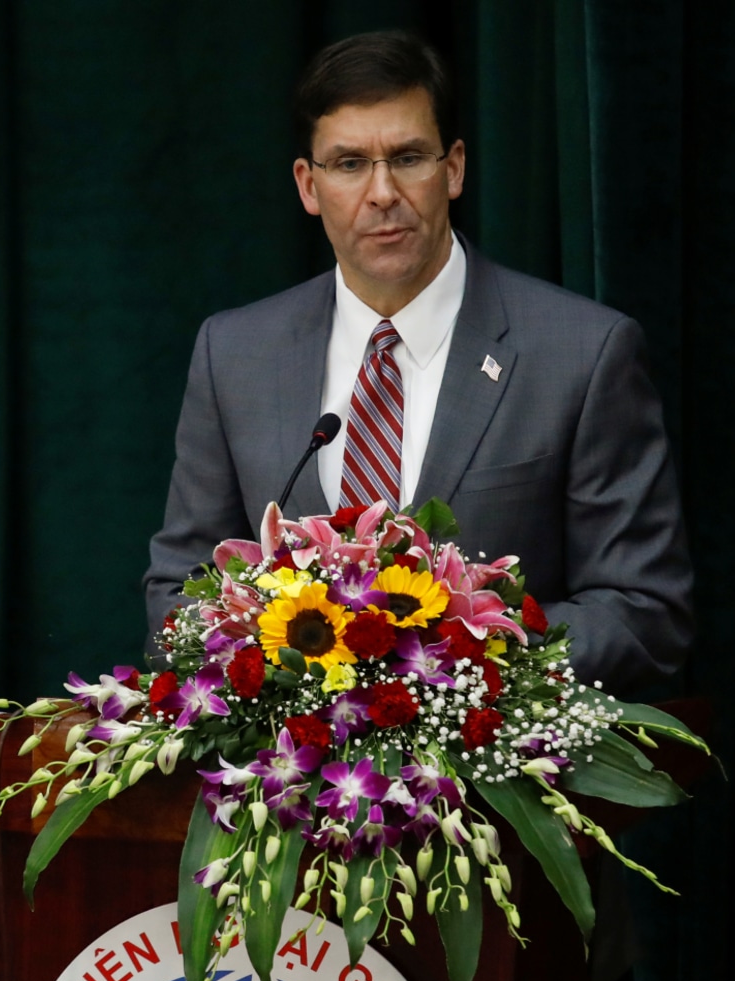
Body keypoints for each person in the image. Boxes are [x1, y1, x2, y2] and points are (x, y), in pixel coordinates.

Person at [143, 30, 692, 695]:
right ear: (307, 185)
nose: (382, 192)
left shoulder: (583, 353)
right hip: (287, 789)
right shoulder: (233, 354)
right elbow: (180, 594)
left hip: (493, 785)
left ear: (454, 168)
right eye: (348, 164)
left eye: (407, 157)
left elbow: (643, 615)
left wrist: (449, 667)